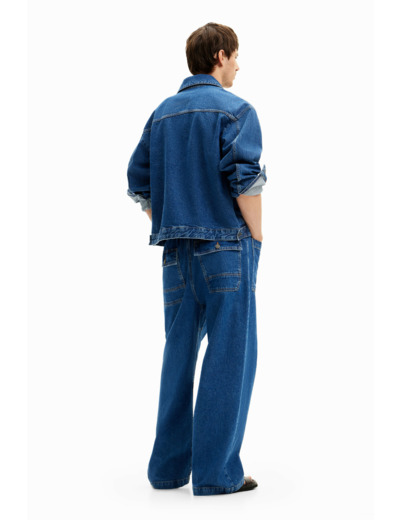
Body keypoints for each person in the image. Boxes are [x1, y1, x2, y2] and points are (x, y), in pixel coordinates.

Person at [126, 22, 266, 496]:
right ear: (220, 55)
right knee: (230, 356)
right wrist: (257, 235)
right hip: (227, 247)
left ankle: (167, 470)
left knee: (178, 355)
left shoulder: (162, 114)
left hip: (175, 254)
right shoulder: (237, 110)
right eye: (236, 56)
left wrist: (169, 219)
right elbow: (245, 180)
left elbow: (138, 181)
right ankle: (216, 474)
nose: (238, 66)